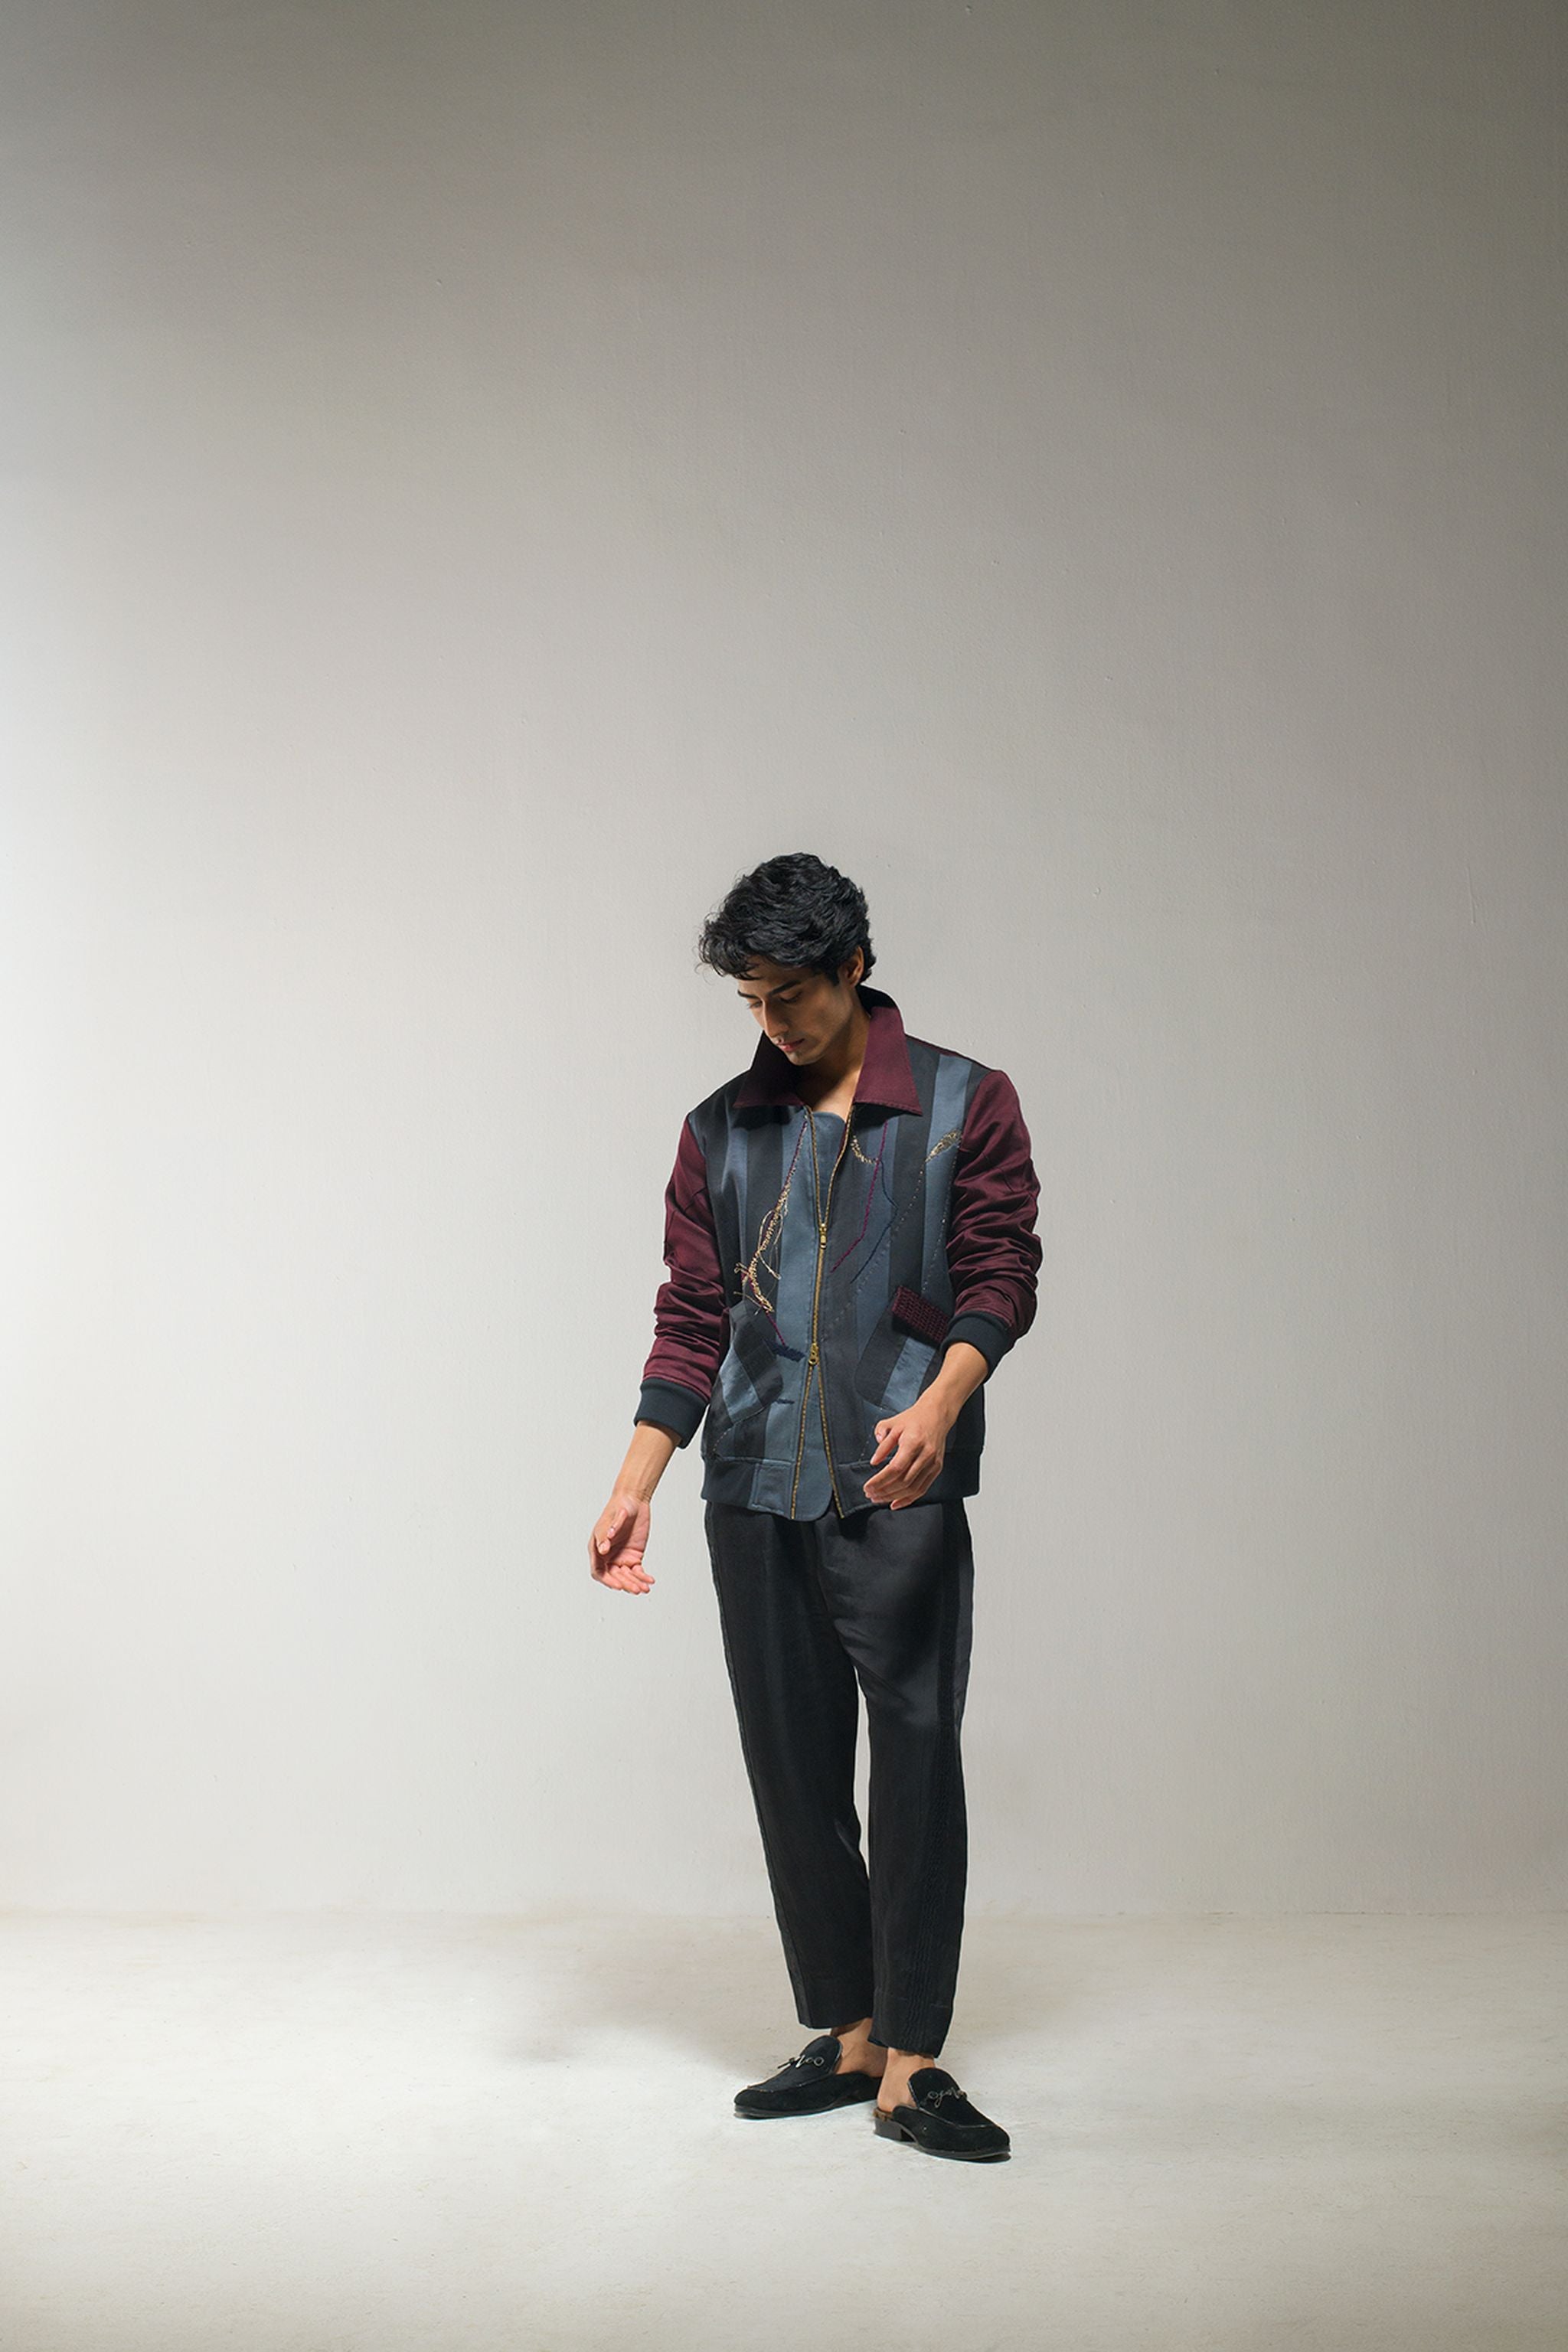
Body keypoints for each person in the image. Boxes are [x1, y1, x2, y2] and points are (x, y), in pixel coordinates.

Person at [589, 851, 1041, 2163]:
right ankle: (846, 2034)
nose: (772, 1023)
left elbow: (1001, 1270)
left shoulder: (962, 1102)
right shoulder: (719, 1131)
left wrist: (942, 1403)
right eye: (752, 1002)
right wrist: (634, 1484)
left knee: (915, 1759)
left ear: (852, 966)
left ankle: (914, 2060)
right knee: (791, 1766)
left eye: (790, 995)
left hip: (899, 1482)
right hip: (752, 1483)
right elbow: (691, 1315)